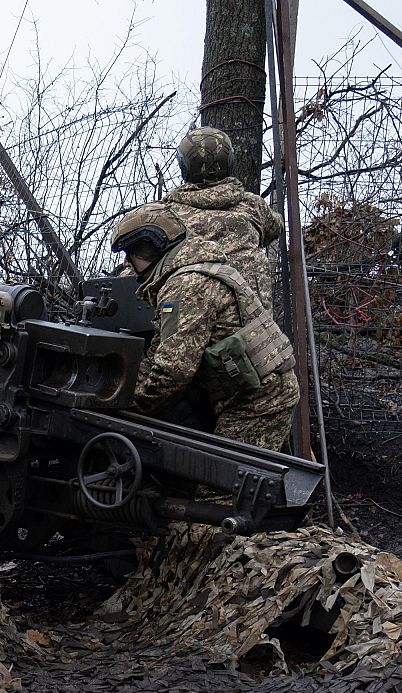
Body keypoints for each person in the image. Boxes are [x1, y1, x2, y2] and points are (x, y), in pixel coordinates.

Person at [111, 202, 298, 453]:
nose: (128, 263)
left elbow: (172, 371)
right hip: (253, 392)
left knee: (223, 488)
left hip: (257, 401)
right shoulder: (191, 272)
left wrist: (122, 403)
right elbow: (162, 351)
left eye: (130, 253)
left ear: (149, 248)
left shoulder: (185, 286)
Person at [165, 126, 284, 305]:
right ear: (230, 162)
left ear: (184, 166)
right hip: (253, 326)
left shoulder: (166, 214)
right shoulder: (252, 205)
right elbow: (276, 227)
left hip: (187, 321)